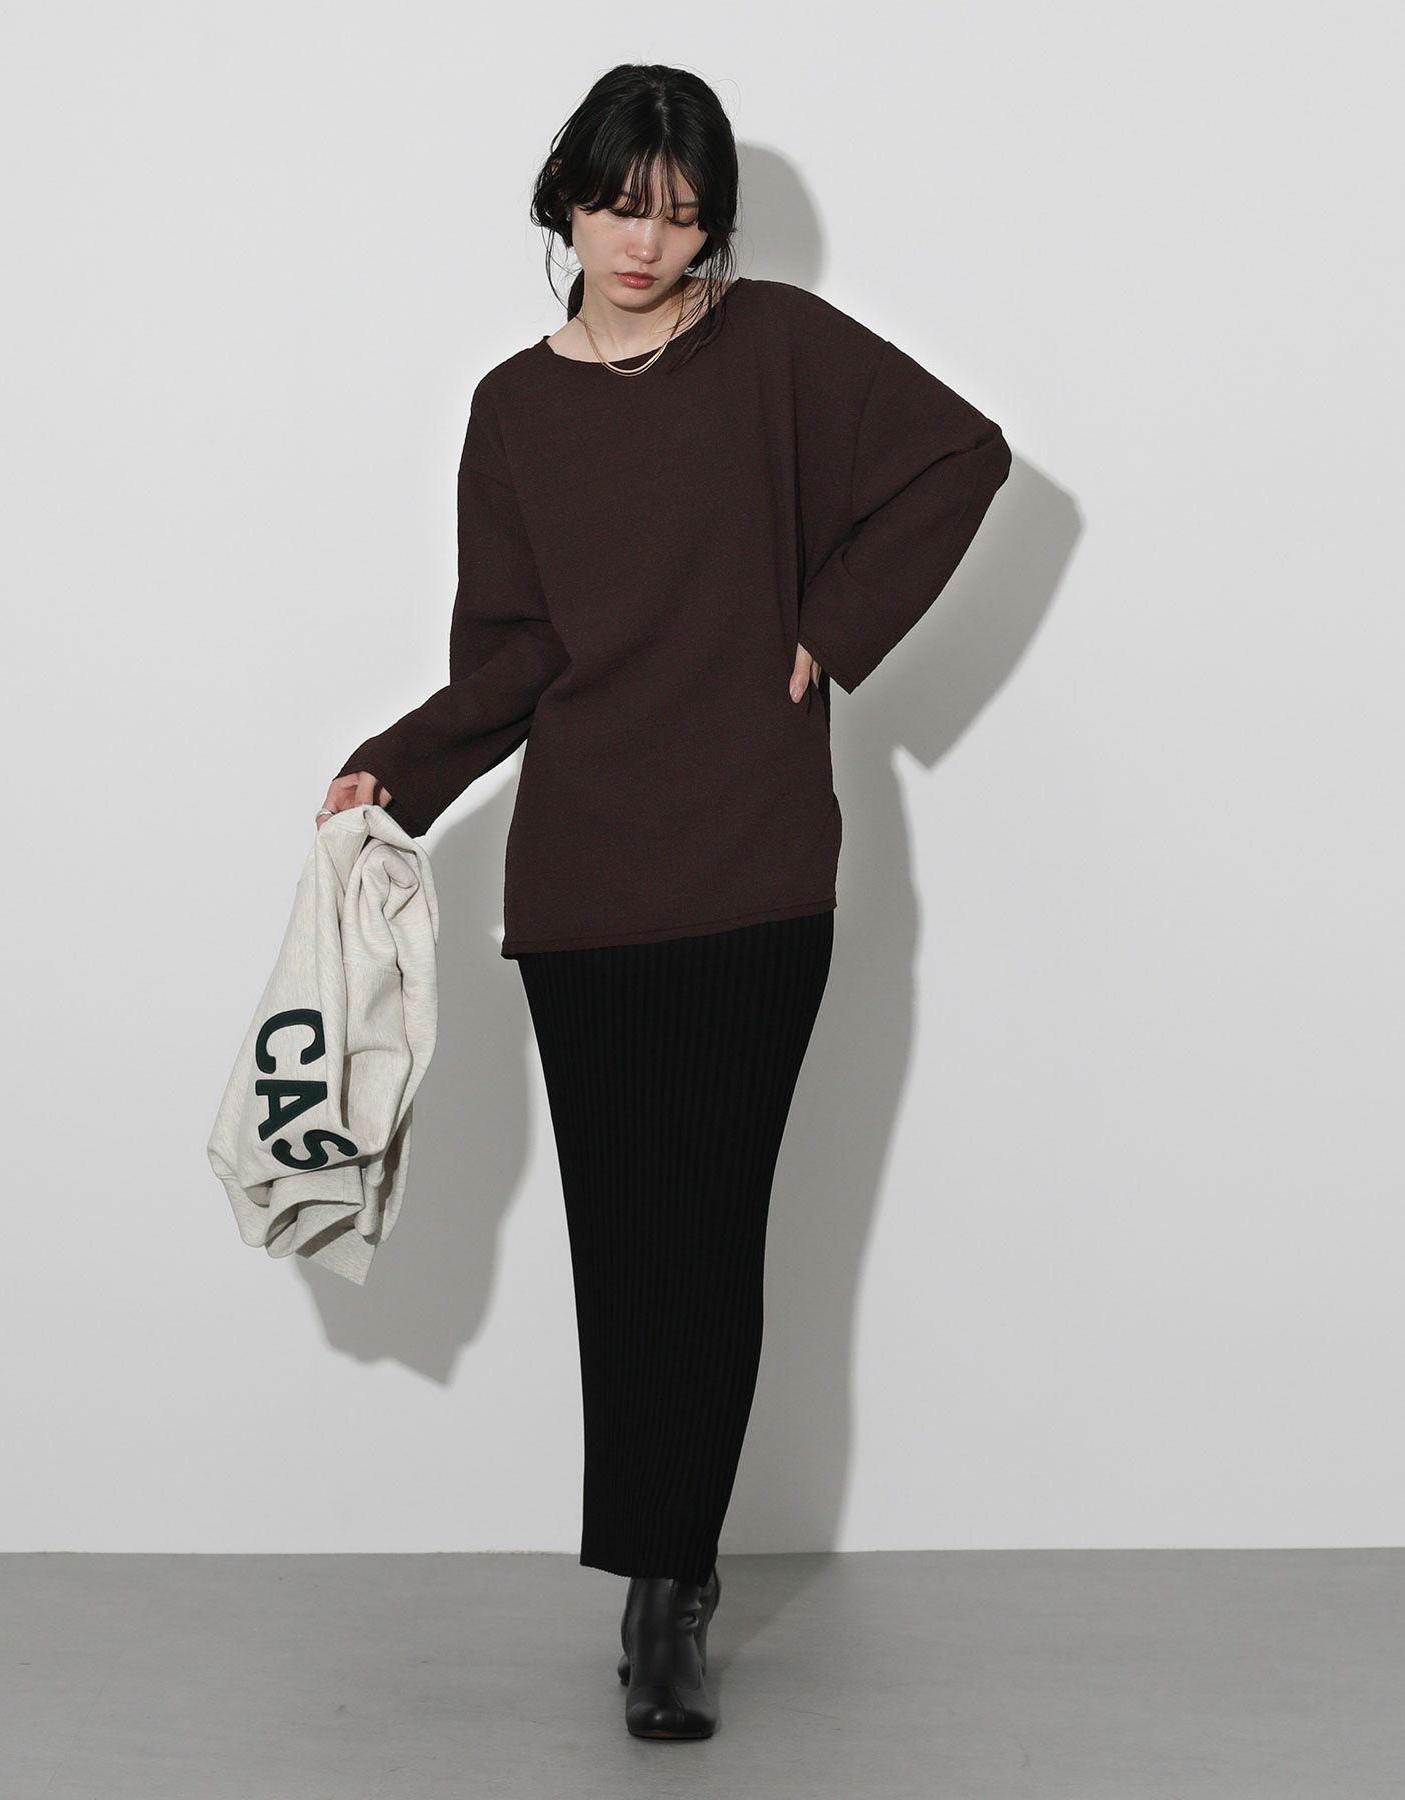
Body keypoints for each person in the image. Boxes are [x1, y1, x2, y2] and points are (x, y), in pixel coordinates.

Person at [317, 63, 1012, 1741]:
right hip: (586, 883)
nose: (648, 242)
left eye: (684, 214)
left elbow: (962, 457)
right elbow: (516, 652)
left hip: (755, 865)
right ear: (564, 200)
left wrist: (833, 624)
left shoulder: (774, 349)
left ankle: (667, 1593)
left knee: (705, 1236)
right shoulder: (514, 408)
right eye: (622, 205)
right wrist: (396, 769)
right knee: (626, 1244)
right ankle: (656, 1564)